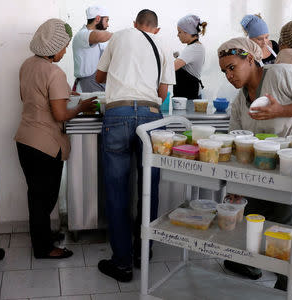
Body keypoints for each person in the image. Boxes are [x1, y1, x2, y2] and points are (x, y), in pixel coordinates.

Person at [217, 37, 292, 290]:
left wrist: (281, 111)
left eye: (232, 67)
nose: (228, 75)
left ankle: (290, 279)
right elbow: (236, 143)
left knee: (291, 222)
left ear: (249, 59)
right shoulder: (239, 101)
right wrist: (234, 184)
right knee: (255, 215)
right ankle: (252, 264)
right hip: (268, 167)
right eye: (224, 71)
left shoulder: (281, 75)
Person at [95, 9, 175, 282]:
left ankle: (122, 263)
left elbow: (99, 76)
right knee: (148, 189)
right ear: (157, 29)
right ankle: (143, 253)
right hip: (152, 118)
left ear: (134, 24)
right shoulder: (163, 45)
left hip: (117, 115)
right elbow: (162, 93)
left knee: (117, 191)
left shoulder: (119, 36)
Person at [15, 18, 96, 259]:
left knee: (36, 195)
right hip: (44, 144)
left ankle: (43, 240)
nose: (64, 51)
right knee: (45, 198)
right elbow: (60, 114)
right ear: (54, 46)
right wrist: (81, 107)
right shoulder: (54, 71)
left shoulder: (27, 65)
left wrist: (61, 95)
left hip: (24, 140)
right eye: (64, 46)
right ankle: (44, 249)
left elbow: (28, 97)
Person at [72, 5, 112, 92]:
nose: (108, 25)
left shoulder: (102, 40)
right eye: (106, 20)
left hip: (100, 85)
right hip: (87, 86)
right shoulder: (82, 34)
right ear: (98, 19)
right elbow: (98, 36)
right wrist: (119, 36)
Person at [173, 14, 207, 99]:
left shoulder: (194, 48)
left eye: (179, 32)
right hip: (188, 95)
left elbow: (171, 68)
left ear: (186, 32)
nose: (178, 35)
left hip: (190, 97)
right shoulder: (195, 47)